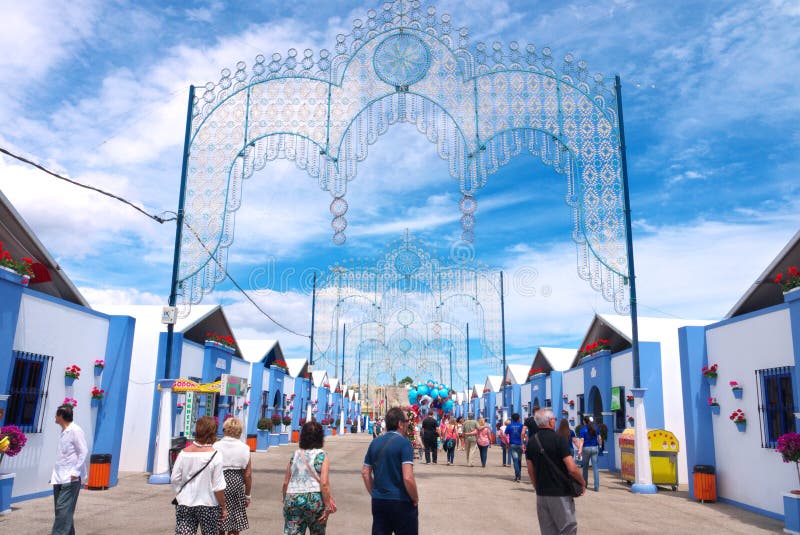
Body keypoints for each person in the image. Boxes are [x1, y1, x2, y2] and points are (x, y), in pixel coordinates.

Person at [526, 409, 586, 535]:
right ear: (550, 421)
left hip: (542, 493)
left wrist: (537, 486)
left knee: (547, 530)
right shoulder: (559, 439)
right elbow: (572, 468)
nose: (555, 421)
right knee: (567, 528)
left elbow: (530, 470)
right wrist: (582, 482)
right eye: (554, 419)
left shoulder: (531, 442)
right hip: (560, 492)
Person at [361, 407, 419, 535]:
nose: (407, 425)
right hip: (401, 502)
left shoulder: (375, 443)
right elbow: (408, 477)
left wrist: (375, 493)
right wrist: (415, 497)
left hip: (379, 501)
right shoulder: (404, 444)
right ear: (400, 424)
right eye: (406, 422)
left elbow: (365, 472)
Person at [171, 416, 227, 535]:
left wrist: (181, 494)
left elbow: (174, 479)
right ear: (213, 433)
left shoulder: (184, 453)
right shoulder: (215, 455)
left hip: (185, 503)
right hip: (208, 504)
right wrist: (223, 506)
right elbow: (218, 486)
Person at [282, 420, 336, 534]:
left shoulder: (295, 455)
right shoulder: (322, 455)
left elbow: (286, 482)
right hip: (314, 499)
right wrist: (327, 507)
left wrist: (285, 499)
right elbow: (324, 483)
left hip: (293, 498)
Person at [51, 404, 88, 535]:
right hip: (58, 478)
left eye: (56, 414)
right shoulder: (64, 432)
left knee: (62, 511)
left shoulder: (75, 430)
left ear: (61, 416)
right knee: (62, 511)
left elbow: (83, 452)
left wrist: (75, 472)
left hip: (70, 478)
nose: (54, 417)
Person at [213, 417, 252, 535]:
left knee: (220, 520)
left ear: (225, 430)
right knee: (235, 521)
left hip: (219, 483)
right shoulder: (245, 448)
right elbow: (248, 474)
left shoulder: (216, 446)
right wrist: (248, 495)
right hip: (236, 484)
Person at [578, 416, 602, 491]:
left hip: (586, 449)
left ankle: (585, 484)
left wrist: (579, 450)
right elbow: (600, 438)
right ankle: (596, 486)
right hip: (595, 448)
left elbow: (581, 441)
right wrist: (600, 446)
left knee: (585, 467)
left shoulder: (583, 430)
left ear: (584, 422)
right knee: (595, 467)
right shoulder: (596, 428)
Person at [505, 413, 524, 482]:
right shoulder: (521, 425)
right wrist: (523, 443)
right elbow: (524, 434)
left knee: (515, 461)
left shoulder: (509, 425)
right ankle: (519, 476)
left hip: (512, 445)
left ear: (512, 418)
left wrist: (507, 443)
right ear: (518, 418)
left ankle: (517, 476)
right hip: (519, 445)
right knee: (519, 460)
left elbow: (505, 435)